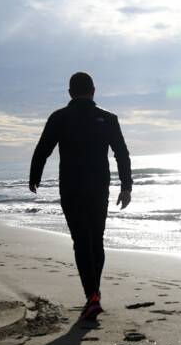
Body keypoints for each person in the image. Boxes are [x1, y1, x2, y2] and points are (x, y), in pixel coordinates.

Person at [29, 72, 132, 320]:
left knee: (81, 241)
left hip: (72, 187)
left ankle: (92, 295)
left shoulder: (59, 117)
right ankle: (94, 294)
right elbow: (122, 154)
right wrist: (126, 186)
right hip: (99, 188)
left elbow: (43, 150)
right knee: (96, 240)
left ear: (70, 93)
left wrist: (35, 176)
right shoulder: (108, 119)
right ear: (93, 90)